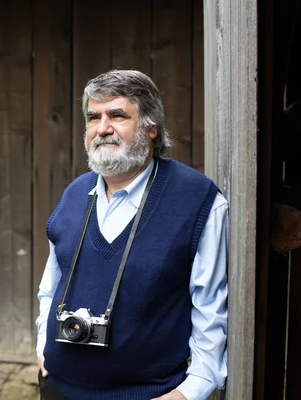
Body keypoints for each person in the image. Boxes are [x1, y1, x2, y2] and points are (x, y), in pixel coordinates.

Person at [35, 69, 228, 400]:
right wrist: (43, 348)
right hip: (59, 388)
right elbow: (51, 286)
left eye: (118, 115)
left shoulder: (197, 200)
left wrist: (191, 391)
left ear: (151, 127)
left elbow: (211, 307)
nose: (102, 128)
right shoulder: (74, 194)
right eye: (93, 117)